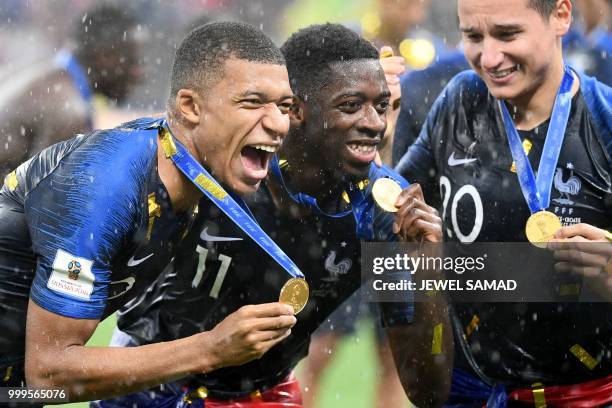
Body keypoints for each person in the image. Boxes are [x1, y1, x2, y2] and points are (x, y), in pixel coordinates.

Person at [99, 23, 453, 408]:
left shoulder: (384, 212)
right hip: (150, 385)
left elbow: (428, 393)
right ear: (296, 110)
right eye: (351, 105)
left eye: (381, 106)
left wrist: (428, 272)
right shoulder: (223, 164)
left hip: (264, 396)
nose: (375, 124)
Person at [0, 21, 298, 403]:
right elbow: (47, 373)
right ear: (190, 107)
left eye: (285, 107)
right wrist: (211, 348)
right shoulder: (105, 185)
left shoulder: (198, 165)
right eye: (253, 102)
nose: (277, 124)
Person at [395, 0, 611, 405]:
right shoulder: (460, 100)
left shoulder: (604, 120)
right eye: (473, 36)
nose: (489, 57)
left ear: (561, 16)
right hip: (470, 394)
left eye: (508, 34)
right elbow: (390, 219)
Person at [0, 5, 143, 178]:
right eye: (133, 62)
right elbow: (44, 201)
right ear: (104, 57)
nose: (139, 74)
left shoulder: (44, 76)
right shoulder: (68, 111)